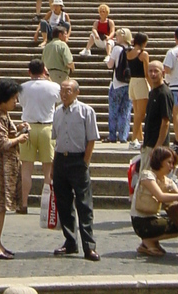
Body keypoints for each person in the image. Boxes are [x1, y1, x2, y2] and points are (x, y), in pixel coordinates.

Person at [51, 79, 100, 261]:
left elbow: (92, 139)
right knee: (63, 204)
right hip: (60, 160)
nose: (64, 94)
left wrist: (85, 162)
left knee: (84, 204)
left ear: (76, 92)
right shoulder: (57, 112)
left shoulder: (86, 111)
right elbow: (55, 139)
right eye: (62, 90)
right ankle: (70, 241)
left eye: (68, 90)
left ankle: (89, 246)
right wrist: (53, 165)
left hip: (78, 160)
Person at [0, 79, 29, 260]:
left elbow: (5, 133)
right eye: (14, 99)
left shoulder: (1, 114)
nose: (16, 103)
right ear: (4, 99)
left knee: (1, 205)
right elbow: (4, 143)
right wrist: (20, 138)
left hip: (3, 165)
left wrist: (19, 128)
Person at [17, 60, 60, 212]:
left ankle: (23, 203)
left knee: (26, 169)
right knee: (48, 170)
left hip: (27, 126)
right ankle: (47, 204)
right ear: (44, 71)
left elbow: (21, 103)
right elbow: (58, 100)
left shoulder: (22, 87)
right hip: (47, 127)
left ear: (29, 71)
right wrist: (48, 77)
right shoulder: (53, 86)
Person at [131, 146, 178, 257]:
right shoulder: (147, 176)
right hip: (141, 221)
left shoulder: (167, 181)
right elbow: (161, 197)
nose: (172, 166)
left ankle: (151, 241)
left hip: (154, 218)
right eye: (169, 162)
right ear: (159, 161)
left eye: (173, 163)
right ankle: (148, 241)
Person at [137, 61, 174, 175]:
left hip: (156, 145)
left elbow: (165, 122)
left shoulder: (164, 93)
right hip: (149, 142)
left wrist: (157, 147)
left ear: (162, 73)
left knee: (148, 177)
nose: (153, 74)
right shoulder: (152, 92)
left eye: (156, 71)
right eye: (150, 71)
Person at [106, 27, 133, 144]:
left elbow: (110, 65)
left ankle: (112, 135)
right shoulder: (132, 49)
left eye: (117, 35)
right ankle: (123, 136)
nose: (116, 37)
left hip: (117, 84)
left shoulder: (117, 48)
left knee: (113, 110)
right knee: (126, 111)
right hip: (129, 84)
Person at [125, 31, 151, 145]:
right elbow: (147, 73)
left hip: (132, 82)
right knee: (141, 114)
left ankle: (140, 138)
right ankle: (134, 138)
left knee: (136, 113)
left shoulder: (129, 52)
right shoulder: (144, 54)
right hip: (140, 82)